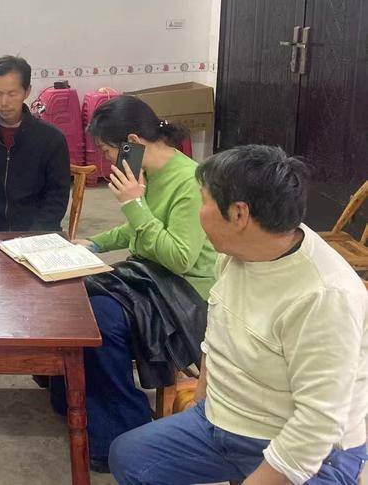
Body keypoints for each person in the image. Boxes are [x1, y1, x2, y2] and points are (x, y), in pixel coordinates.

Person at [110, 144, 368, 485]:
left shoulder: (325, 296)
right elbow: (216, 333)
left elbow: (317, 424)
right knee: (128, 457)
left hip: (310, 449)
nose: (199, 212)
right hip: (225, 422)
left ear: (239, 214)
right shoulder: (236, 253)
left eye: (203, 201)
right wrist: (204, 402)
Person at [50, 95, 217, 471]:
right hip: (151, 277)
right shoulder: (152, 174)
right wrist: (94, 244)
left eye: (108, 151)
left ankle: (123, 430)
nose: (108, 160)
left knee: (99, 320)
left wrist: (134, 204)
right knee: (73, 296)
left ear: (132, 143)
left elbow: (179, 257)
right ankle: (72, 399)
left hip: (184, 293)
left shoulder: (189, 182)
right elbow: (138, 229)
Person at [0, 55, 70, 232]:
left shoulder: (51, 140)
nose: (4, 102)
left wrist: (33, 238)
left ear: (27, 91)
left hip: (36, 236)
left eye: (12, 94)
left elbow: (56, 198)